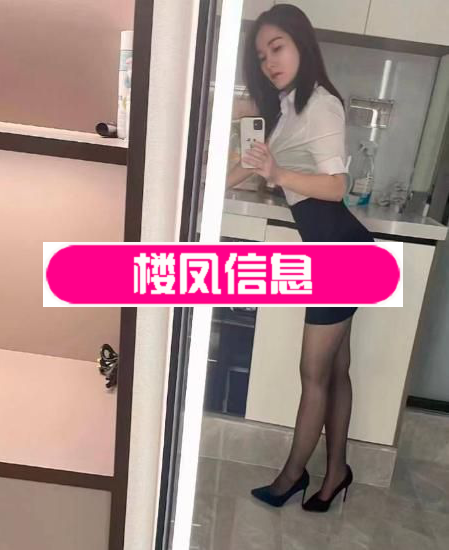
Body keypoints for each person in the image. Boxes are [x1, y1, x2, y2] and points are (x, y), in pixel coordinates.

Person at [227, 4, 375, 513]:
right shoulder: (287, 107)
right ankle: (336, 473)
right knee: (335, 371)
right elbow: (246, 168)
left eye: (278, 47)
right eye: (261, 55)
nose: (269, 61)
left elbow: (336, 187)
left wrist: (277, 174)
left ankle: (293, 476)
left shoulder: (321, 105)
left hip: (342, 256)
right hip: (336, 252)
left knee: (313, 374)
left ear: (301, 45)